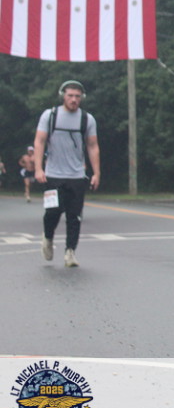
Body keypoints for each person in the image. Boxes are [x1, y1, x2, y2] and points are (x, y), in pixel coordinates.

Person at [34, 80, 100, 268]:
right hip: (53, 174)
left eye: (77, 96)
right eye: (70, 96)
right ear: (63, 96)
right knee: (53, 212)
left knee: (74, 216)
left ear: (82, 98)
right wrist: (38, 169)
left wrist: (96, 173)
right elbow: (39, 141)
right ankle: (48, 237)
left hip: (76, 175)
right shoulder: (50, 116)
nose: (73, 100)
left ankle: (70, 251)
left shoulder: (87, 119)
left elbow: (93, 146)